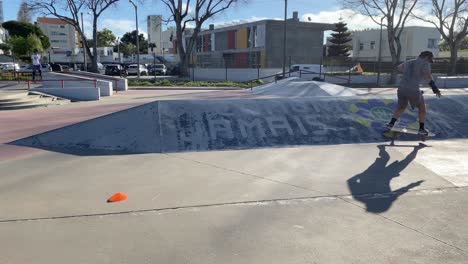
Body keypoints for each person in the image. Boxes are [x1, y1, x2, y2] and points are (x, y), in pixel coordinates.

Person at [386, 51, 442, 136]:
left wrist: (408, 73)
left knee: (401, 107)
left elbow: (399, 67)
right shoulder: (425, 63)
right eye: (429, 59)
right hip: (413, 89)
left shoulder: (410, 61)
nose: (429, 61)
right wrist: (435, 89)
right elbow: (427, 76)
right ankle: (421, 129)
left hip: (401, 88)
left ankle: (391, 124)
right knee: (422, 108)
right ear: (426, 57)